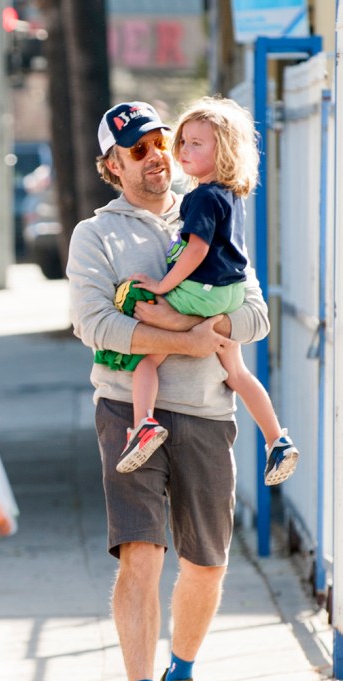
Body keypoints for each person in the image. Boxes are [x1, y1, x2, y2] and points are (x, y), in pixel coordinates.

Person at [67, 100, 270, 681]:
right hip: (130, 409)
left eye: (162, 141)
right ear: (111, 166)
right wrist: (187, 340)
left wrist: (209, 330)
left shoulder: (209, 203)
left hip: (209, 411)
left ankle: (180, 676)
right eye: (138, 149)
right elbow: (93, 324)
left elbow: (256, 310)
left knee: (207, 565)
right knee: (142, 554)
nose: (156, 155)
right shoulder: (95, 236)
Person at [102, 96, 299, 485]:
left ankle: (143, 424)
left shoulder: (200, 197)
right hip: (229, 293)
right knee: (237, 372)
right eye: (183, 141)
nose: (180, 151)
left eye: (194, 144)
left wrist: (163, 288)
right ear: (113, 164)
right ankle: (277, 439)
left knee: (145, 360)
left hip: (201, 290)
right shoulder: (229, 193)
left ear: (221, 151)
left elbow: (196, 249)